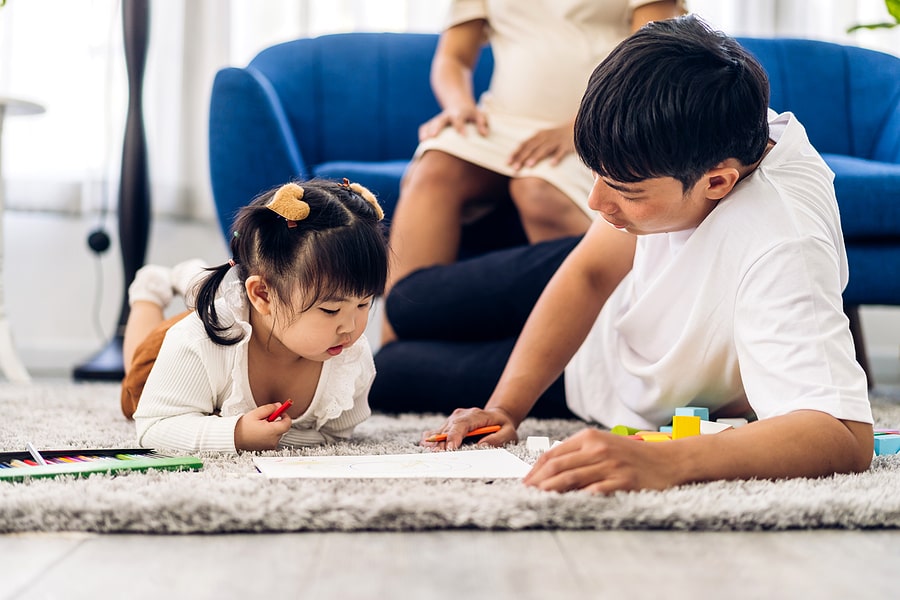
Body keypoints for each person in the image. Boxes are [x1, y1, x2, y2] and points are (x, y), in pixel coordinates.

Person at [371, 15, 874, 493]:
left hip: (599, 376)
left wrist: (663, 461)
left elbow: (846, 436)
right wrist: (504, 408)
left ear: (717, 183)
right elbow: (591, 272)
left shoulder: (784, 242)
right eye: (596, 175)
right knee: (409, 300)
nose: (594, 202)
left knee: (390, 372)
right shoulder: (711, 122)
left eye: (623, 189)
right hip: (604, 278)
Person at [382, 0, 684, 343]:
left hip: (595, 127)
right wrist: (459, 106)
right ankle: (390, 352)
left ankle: (593, 343)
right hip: (500, 124)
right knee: (434, 169)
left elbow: (653, 55)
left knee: (537, 191)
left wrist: (582, 127)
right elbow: (453, 58)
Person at [121, 178, 389, 452]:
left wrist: (274, 437)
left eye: (364, 304)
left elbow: (335, 435)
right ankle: (151, 288)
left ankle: (195, 280)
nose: (351, 327)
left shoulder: (351, 359)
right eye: (330, 310)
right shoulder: (195, 341)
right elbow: (154, 426)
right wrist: (236, 434)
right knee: (137, 374)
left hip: (258, 321)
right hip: (203, 343)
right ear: (263, 295)